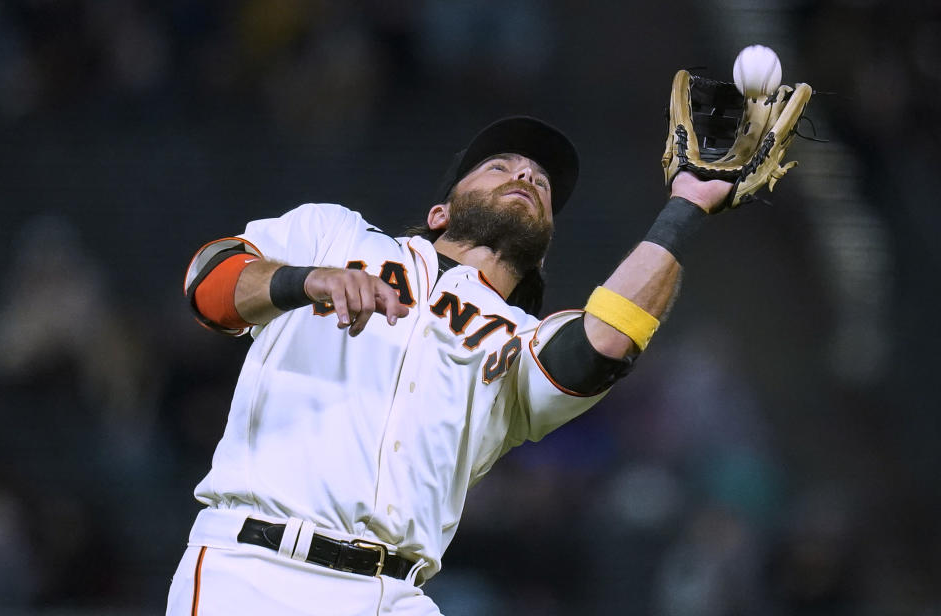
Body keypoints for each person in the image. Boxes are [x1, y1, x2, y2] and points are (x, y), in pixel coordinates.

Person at [165, 116, 732, 615]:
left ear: (545, 243)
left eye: (541, 182)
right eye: (499, 166)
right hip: (256, 571)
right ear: (440, 212)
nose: (527, 176)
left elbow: (600, 346)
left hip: (394, 594)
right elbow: (208, 283)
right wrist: (302, 279)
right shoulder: (334, 235)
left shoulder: (519, 338)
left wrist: (686, 206)